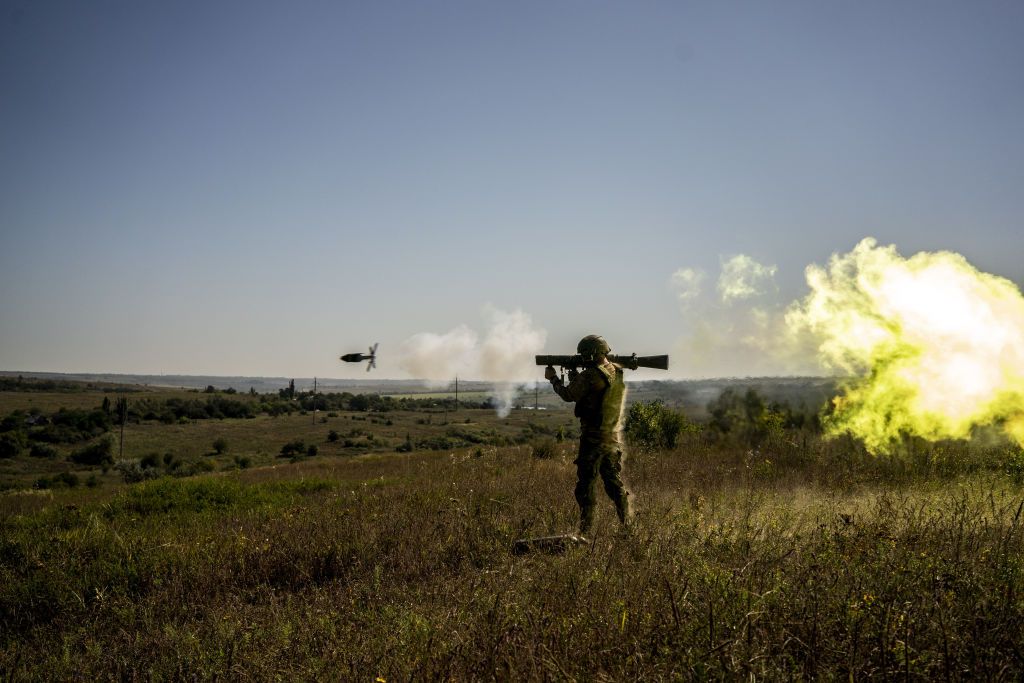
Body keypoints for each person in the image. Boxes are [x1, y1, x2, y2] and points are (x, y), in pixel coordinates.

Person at [545, 334, 632, 537]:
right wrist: (576, 375)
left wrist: (553, 379)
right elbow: (593, 392)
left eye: (584, 355)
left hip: (592, 438)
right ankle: (627, 525)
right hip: (611, 437)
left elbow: (569, 395)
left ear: (591, 354)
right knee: (613, 483)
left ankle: (585, 531)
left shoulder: (590, 375)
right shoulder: (615, 371)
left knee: (585, 486)